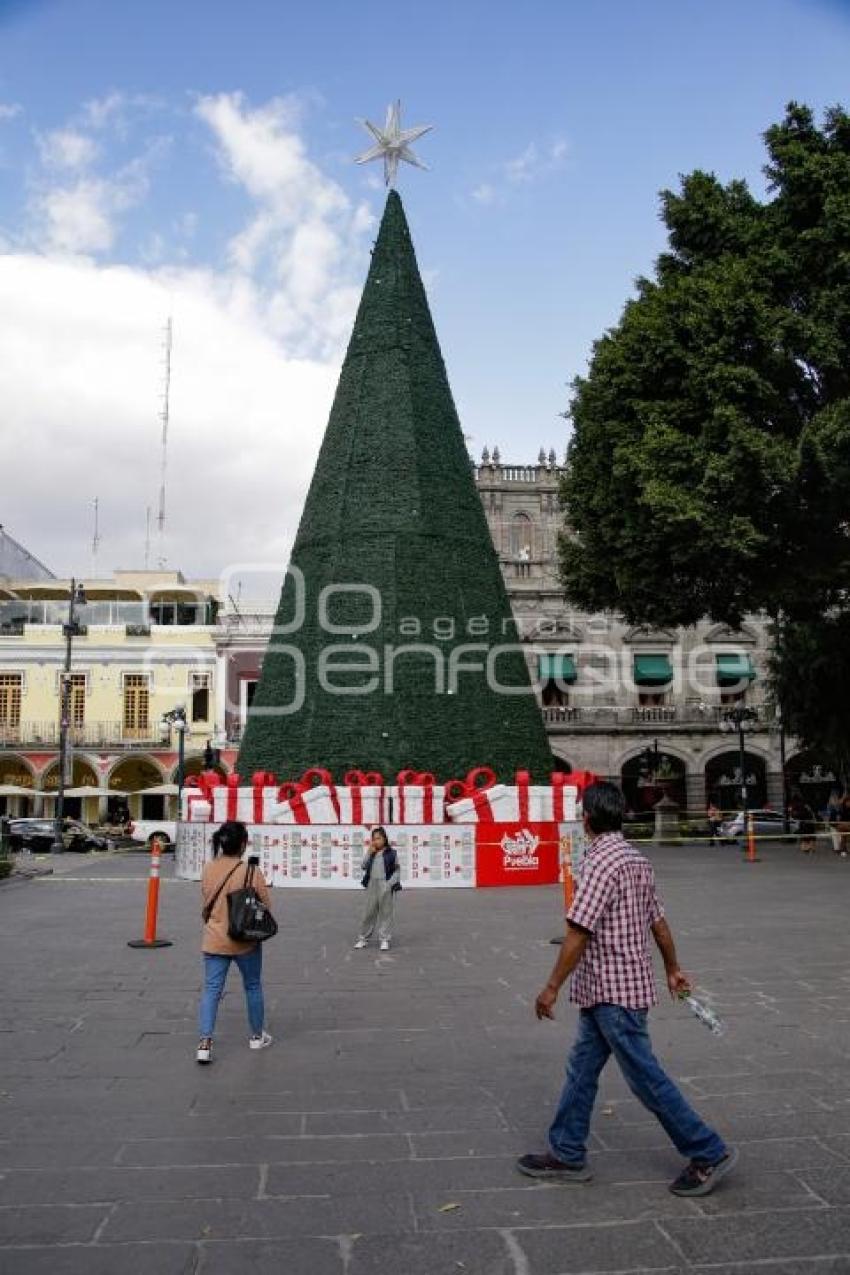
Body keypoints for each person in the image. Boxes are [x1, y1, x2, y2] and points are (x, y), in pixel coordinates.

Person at [517, 781, 737, 1198]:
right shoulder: (637, 859)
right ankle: (566, 1152)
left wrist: (550, 987)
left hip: (612, 992)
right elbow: (659, 921)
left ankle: (708, 1150)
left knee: (646, 1078)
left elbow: (578, 933)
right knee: (581, 1071)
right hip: (615, 988)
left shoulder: (599, 862)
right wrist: (672, 968)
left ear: (586, 819)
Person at [196, 820, 273, 1064]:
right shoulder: (250, 871)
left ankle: (205, 1043)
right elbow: (266, 905)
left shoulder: (208, 868)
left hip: (214, 939)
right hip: (244, 941)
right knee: (252, 985)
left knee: (211, 990)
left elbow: (207, 900)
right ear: (243, 844)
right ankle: (256, 1036)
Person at [354, 826, 401, 952]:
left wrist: (389, 884)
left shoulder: (392, 854)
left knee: (386, 913)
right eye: (374, 839)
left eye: (378, 838)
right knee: (368, 912)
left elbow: (397, 871)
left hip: (385, 885)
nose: (376, 841)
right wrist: (369, 853)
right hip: (372, 884)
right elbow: (363, 866)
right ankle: (363, 938)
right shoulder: (372, 853)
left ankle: (384, 939)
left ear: (384, 839)